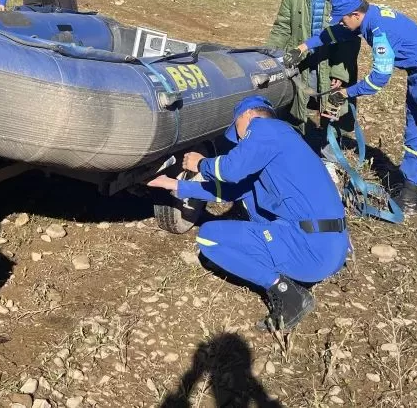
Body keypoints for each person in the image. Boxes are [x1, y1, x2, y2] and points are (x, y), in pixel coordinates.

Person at [148, 95, 349, 332]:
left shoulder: (265, 128)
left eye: (238, 131)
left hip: (310, 248)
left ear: (249, 115)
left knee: (209, 237)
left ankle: (288, 294)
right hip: (330, 249)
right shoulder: (282, 147)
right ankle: (288, 272)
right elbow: (230, 191)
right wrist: (175, 185)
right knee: (241, 223)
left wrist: (201, 164)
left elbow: (230, 171)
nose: (240, 141)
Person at [296, 0, 417, 237]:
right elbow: (337, 33)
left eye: (343, 18)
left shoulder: (379, 30)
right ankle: (408, 196)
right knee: (414, 138)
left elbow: (379, 79)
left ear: (355, 14)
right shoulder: (367, 17)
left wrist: (347, 92)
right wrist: (303, 47)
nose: (341, 23)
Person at [266, 0, 358, 134]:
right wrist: (270, 55)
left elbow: (350, 37)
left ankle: (332, 149)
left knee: (333, 110)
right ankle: (297, 143)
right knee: (295, 106)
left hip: (331, 61)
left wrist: (340, 73)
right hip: (301, 59)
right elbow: (282, 26)